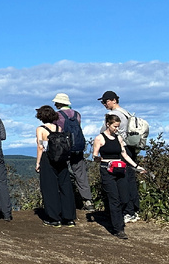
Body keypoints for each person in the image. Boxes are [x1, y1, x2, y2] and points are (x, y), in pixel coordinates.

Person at [92, 112, 142, 239]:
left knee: (124, 198)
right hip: (107, 170)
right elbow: (95, 155)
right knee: (114, 199)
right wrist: (100, 160)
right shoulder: (99, 138)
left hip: (120, 170)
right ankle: (118, 229)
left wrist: (136, 167)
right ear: (108, 125)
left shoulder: (119, 138)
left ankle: (119, 219)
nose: (117, 129)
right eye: (115, 126)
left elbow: (124, 155)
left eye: (118, 126)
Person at [99, 91, 142, 222]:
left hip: (120, 150)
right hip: (130, 149)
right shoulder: (126, 112)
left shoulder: (113, 115)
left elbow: (103, 132)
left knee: (122, 182)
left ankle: (127, 211)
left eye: (105, 101)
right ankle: (134, 210)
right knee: (130, 179)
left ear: (113, 100)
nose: (104, 104)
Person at [35, 105, 76, 228]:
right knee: (65, 186)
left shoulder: (40, 129)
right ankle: (69, 218)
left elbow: (40, 146)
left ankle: (54, 218)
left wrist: (38, 162)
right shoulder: (59, 127)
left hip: (48, 158)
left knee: (49, 187)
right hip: (61, 159)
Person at [53, 93, 93, 211]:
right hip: (78, 147)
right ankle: (88, 201)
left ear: (60, 103)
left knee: (62, 172)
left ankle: (65, 200)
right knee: (80, 173)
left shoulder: (57, 115)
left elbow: (57, 131)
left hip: (64, 148)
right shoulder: (77, 114)